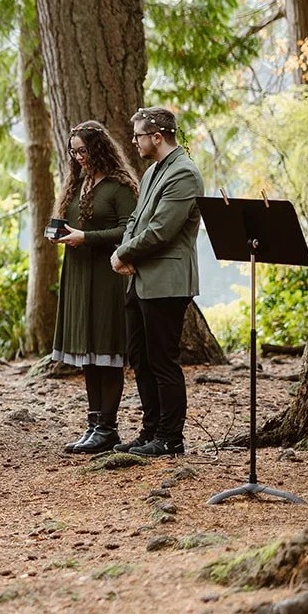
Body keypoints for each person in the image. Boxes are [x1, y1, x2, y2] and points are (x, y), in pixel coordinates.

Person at [111, 108, 204, 457]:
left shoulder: (184, 174)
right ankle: (150, 431)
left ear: (157, 137)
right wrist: (125, 251)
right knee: (140, 356)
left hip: (167, 280)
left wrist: (124, 255)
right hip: (140, 279)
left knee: (163, 359)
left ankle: (170, 438)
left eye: (138, 136)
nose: (134, 142)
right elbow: (137, 219)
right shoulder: (152, 172)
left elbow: (162, 230)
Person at [51, 121, 139, 454]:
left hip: (107, 275)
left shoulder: (120, 187)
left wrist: (87, 237)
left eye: (83, 151)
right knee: (89, 352)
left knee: (107, 352)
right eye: (73, 152)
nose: (78, 158)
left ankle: (108, 428)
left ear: (99, 149)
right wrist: (61, 233)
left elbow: (129, 231)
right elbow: (71, 221)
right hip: (77, 273)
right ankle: (93, 426)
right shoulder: (77, 183)